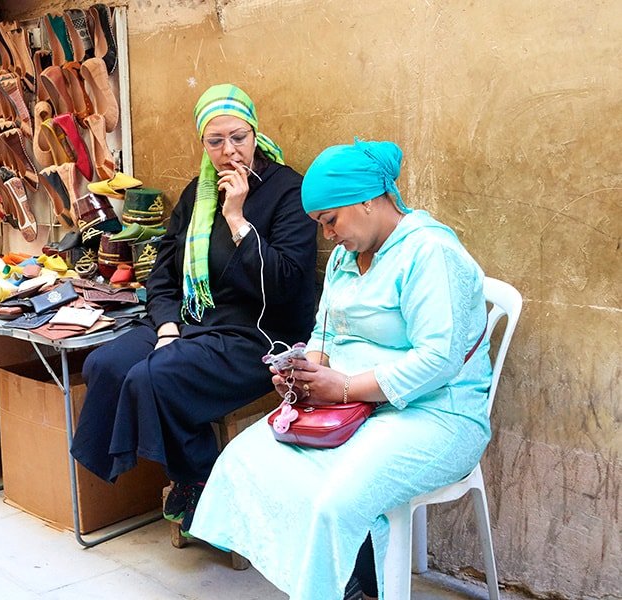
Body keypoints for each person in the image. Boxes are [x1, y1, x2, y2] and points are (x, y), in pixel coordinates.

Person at [189, 139, 493, 600]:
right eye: (320, 225)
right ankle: (346, 582)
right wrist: (304, 371)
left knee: (334, 501)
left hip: (437, 414)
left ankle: (341, 583)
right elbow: (324, 337)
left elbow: (438, 359)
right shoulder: (344, 260)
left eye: (330, 221)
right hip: (353, 407)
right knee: (246, 460)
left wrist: (345, 387)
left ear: (368, 200)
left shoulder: (430, 253)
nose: (328, 235)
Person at [70, 84, 318, 532]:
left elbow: (285, 282)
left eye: (238, 138)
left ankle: (197, 475)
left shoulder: (287, 191)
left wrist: (238, 219)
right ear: (203, 142)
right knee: (106, 364)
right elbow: (163, 273)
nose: (229, 152)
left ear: (255, 133)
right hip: (190, 322)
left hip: (254, 333)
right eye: (215, 141)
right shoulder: (196, 195)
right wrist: (165, 325)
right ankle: (193, 472)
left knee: (152, 376)